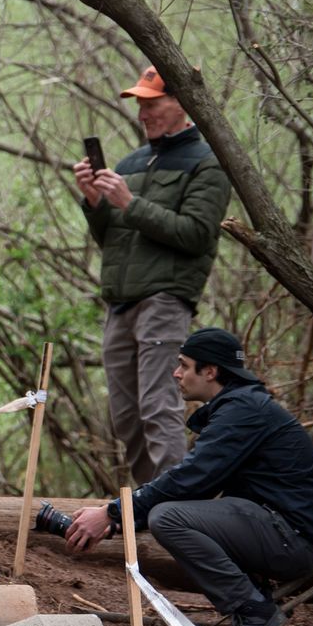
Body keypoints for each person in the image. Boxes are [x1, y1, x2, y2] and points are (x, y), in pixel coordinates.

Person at [63, 328, 313, 626]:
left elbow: (189, 478)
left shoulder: (243, 412)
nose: (176, 373)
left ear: (210, 371)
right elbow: (196, 488)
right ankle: (253, 609)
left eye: (184, 365)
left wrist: (113, 512)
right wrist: (119, 521)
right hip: (284, 534)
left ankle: (256, 612)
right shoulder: (240, 407)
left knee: (168, 517)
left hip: (293, 541)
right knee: (172, 511)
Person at [73, 65, 233, 484]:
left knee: (158, 406)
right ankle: (149, 501)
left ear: (182, 102)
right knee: (126, 417)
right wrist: (94, 203)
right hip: (120, 300)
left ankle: (174, 509)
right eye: (140, 105)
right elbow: (112, 239)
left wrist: (130, 203)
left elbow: (196, 235)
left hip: (165, 298)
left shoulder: (208, 164)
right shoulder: (132, 163)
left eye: (151, 103)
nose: (143, 113)